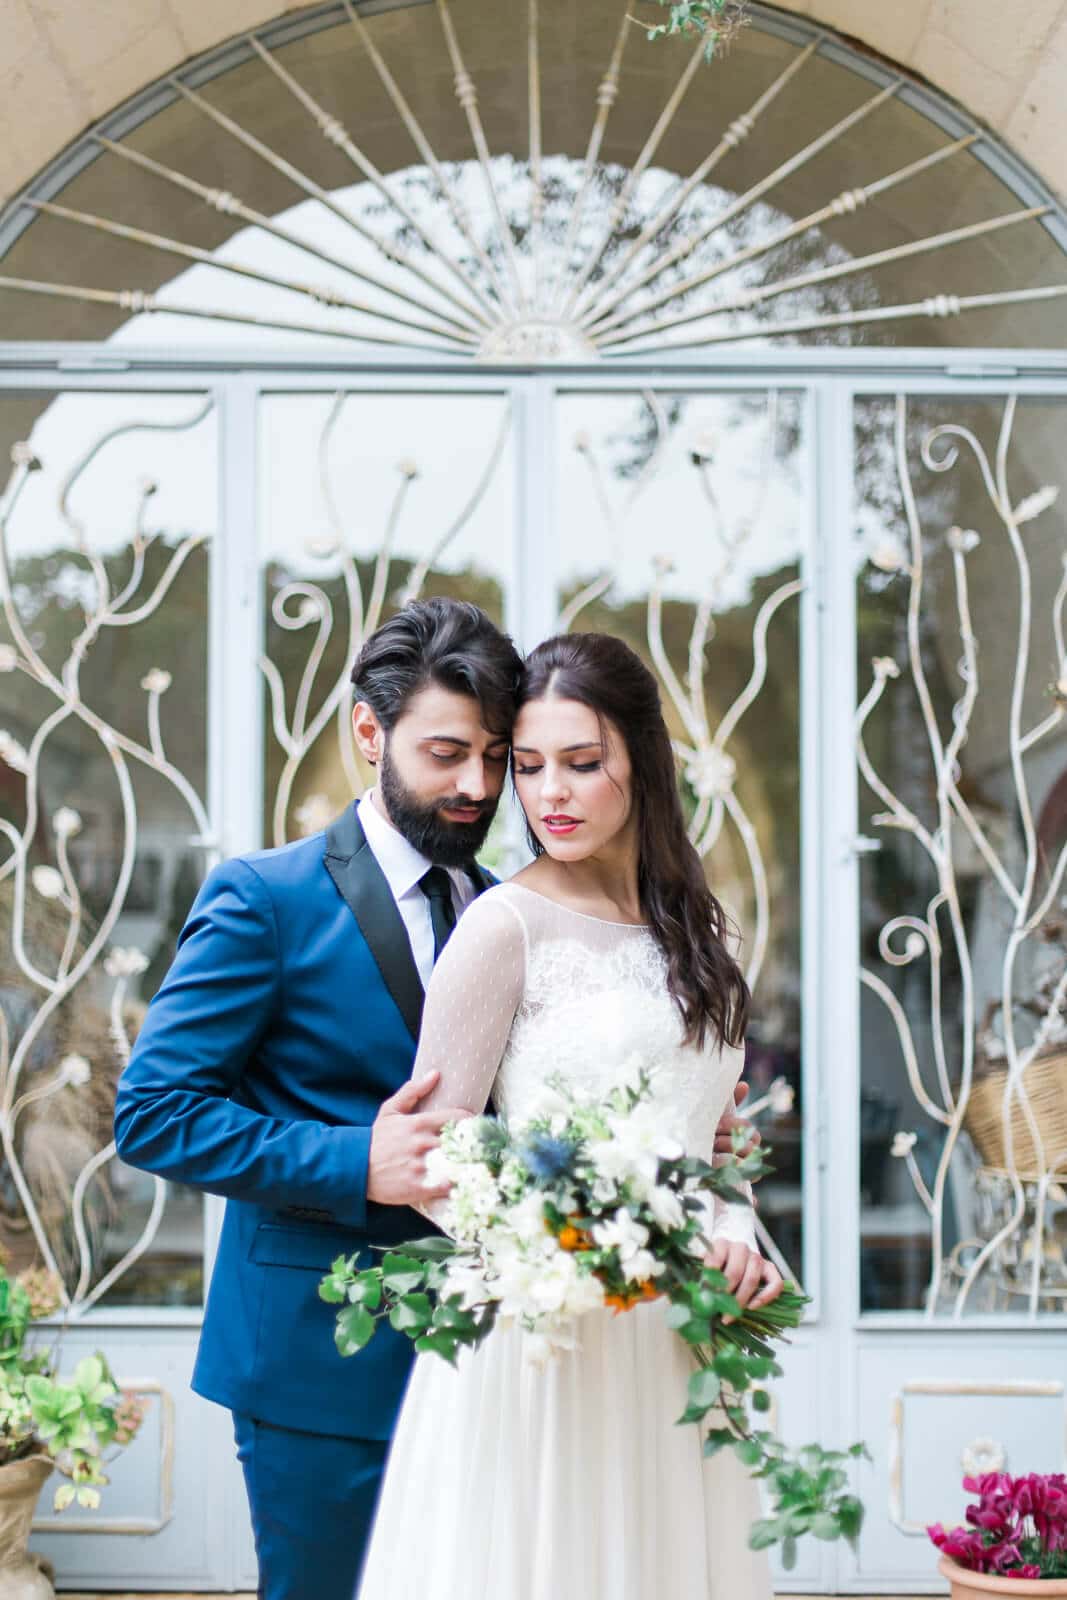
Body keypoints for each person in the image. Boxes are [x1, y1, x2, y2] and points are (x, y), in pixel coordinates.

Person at [112, 599, 759, 1600]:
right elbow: (153, 1110)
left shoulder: (506, 897)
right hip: (321, 1356)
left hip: (513, 1354)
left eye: (497, 757)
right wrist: (351, 1159)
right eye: (447, 752)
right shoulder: (264, 899)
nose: (478, 786)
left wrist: (681, 1139)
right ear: (368, 733)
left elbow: (540, 1107)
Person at [357, 631, 783, 1600]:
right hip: (538, 1340)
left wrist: (731, 1231)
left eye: (582, 764)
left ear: (640, 758)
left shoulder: (702, 930)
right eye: (531, 764)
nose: (549, 792)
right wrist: (557, 1246)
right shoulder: (500, 927)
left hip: (671, 1338)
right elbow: (440, 1146)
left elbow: (715, 1131)